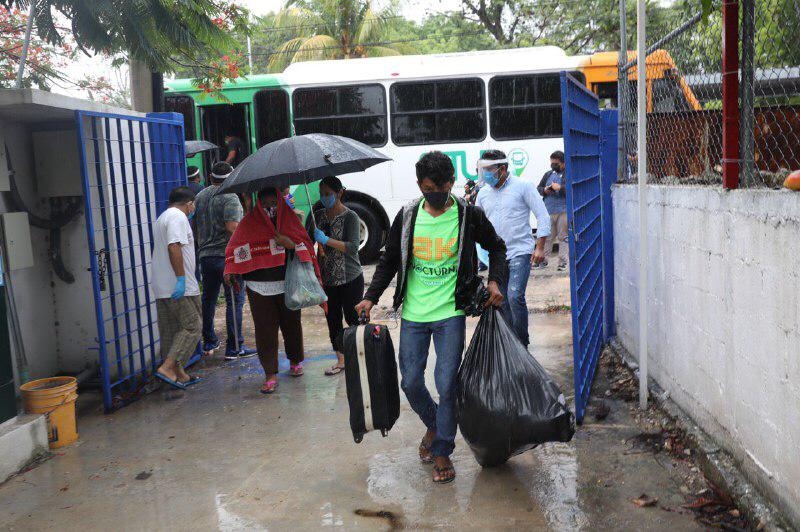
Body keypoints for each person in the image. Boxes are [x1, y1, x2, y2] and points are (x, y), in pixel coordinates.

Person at [356, 151, 507, 484]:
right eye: (428, 188)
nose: (436, 194)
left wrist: (495, 279)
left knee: (446, 383)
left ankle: (442, 452)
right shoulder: (408, 216)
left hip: (450, 312)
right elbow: (390, 260)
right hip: (413, 313)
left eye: (442, 186)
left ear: (451, 182)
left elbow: (497, 247)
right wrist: (370, 297)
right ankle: (436, 424)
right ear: (419, 185)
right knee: (410, 381)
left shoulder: (469, 215)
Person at [224, 186, 324, 394]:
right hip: (258, 286)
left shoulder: (290, 220)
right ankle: (270, 374)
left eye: (274, 203)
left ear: (280, 202)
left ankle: (295, 360)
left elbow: (304, 246)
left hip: (287, 283)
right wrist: (231, 270)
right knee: (265, 331)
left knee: (292, 325)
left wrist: (290, 245)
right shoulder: (248, 224)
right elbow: (234, 249)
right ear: (259, 204)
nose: (270, 208)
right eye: (266, 204)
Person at [475, 149, 551, 347]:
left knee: (515, 296)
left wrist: (540, 247)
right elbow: (477, 224)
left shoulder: (523, 186)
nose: (485, 174)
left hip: (520, 250)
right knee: (502, 300)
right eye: (483, 170)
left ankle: (522, 343)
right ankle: (512, 345)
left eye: (489, 169)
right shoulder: (483, 193)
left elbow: (542, 215)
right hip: (495, 255)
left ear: (502, 168)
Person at [194, 161, 257, 359]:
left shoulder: (200, 196)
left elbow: (195, 227)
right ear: (231, 178)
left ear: (211, 178)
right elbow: (232, 228)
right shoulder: (230, 197)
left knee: (209, 299)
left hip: (205, 256)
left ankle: (209, 341)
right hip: (226, 258)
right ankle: (234, 347)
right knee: (235, 301)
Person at [311, 176, 364, 376]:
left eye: (328, 194)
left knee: (352, 317)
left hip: (350, 277)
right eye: (322, 194)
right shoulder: (318, 217)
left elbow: (352, 248)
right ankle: (340, 359)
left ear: (339, 193)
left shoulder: (351, 217)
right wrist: (320, 248)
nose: (325, 198)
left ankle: (359, 354)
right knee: (332, 318)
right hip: (328, 279)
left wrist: (327, 240)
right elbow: (313, 246)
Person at [151, 186, 202, 390]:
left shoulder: (163, 217)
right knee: (193, 326)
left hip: (163, 284)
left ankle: (179, 374)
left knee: (172, 330)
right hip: (177, 284)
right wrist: (181, 279)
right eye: (193, 205)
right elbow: (174, 246)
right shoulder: (177, 217)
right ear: (189, 203)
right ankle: (168, 367)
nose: (193, 209)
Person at [536, 150, 568, 271]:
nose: (553, 165)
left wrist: (560, 188)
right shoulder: (548, 174)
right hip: (548, 210)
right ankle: (543, 260)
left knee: (563, 237)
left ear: (563, 163)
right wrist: (544, 190)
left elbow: (571, 190)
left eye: (556, 163)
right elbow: (538, 188)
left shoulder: (567, 174)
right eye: (552, 163)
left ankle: (563, 262)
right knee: (547, 237)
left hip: (563, 211)